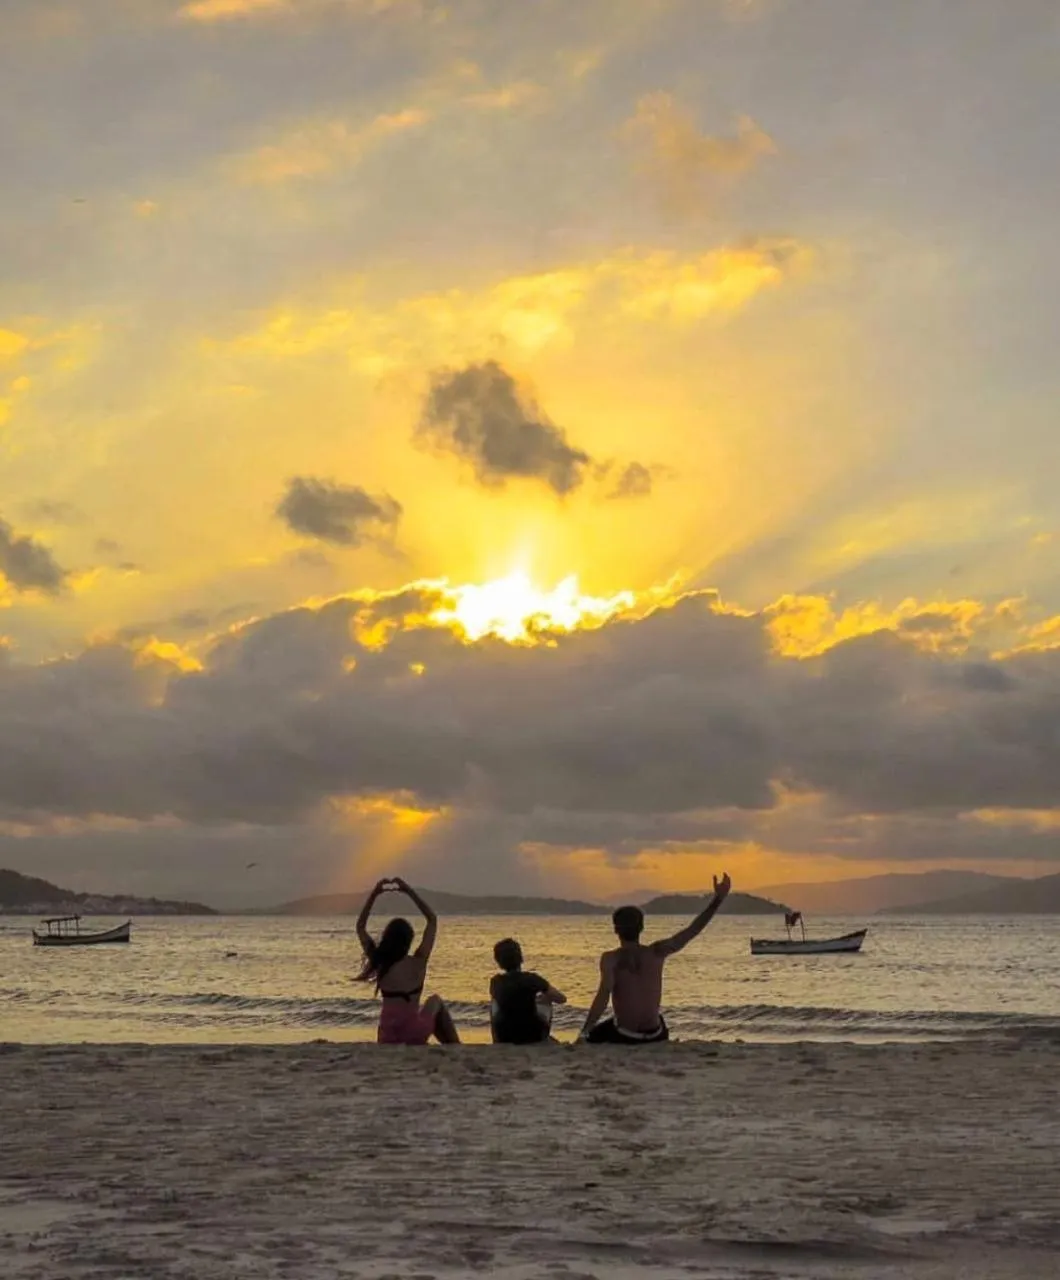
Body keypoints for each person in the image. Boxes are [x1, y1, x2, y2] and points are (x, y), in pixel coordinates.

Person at [579, 872, 732, 1044]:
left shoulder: (611, 959)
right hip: (656, 1034)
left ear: (616, 929)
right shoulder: (656, 952)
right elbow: (692, 930)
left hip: (626, 1036)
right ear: (642, 928)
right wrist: (718, 900)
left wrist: (584, 1031)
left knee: (594, 1034)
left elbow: (603, 996)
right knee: (654, 1019)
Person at [355, 876, 460, 1044]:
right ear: (409, 940)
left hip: (386, 1037)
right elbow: (432, 919)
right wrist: (408, 891)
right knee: (435, 1001)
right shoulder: (418, 962)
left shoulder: (381, 962)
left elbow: (360, 927)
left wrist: (374, 894)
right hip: (415, 1033)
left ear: (387, 938)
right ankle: (454, 1045)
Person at [489, 937, 567, 1044]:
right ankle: (544, 1038)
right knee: (547, 1000)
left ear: (499, 962)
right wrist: (544, 997)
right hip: (533, 1034)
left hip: (505, 1034)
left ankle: (496, 1040)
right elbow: (561, 999)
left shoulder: (496, 982)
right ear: (521, 958)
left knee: (494, 1003)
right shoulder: (532, 979)